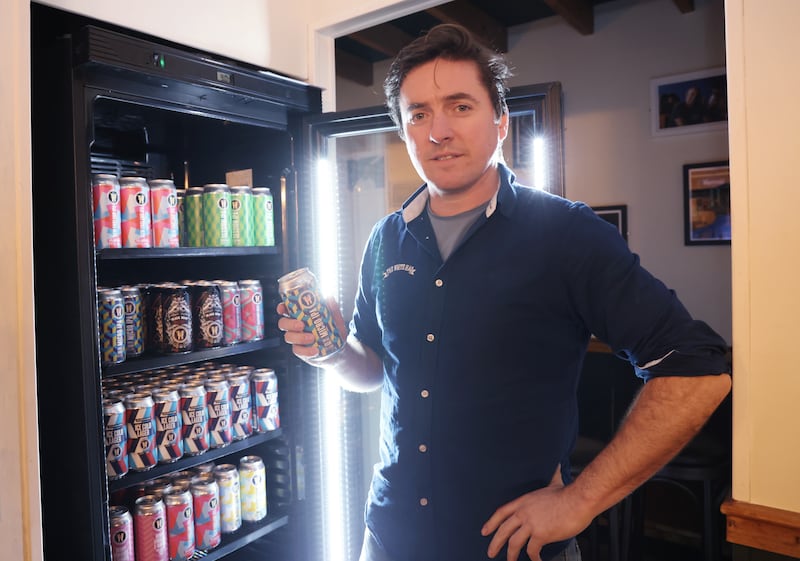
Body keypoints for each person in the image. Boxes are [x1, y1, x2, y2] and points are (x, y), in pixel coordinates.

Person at [278, 23, 731, 561]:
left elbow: (697, 369)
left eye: (460, 106)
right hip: (389, 537)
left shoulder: (567, 233)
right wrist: (332, 354)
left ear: (501, 123)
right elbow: (375, 368)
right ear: (404, 132)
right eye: (418, 113)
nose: (437, 131)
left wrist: (582, 500)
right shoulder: (384, 239)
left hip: (513, 549)